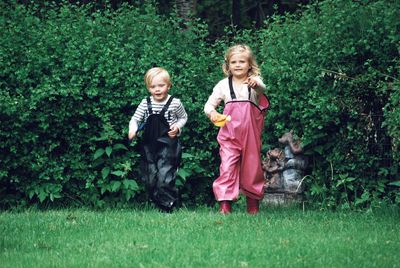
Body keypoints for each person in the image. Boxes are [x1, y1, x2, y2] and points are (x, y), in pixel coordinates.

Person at [204, 44, 270, 214]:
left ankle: (253, 205)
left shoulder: (255, 82)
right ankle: (225, 205)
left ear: (250, 64)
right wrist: (212, 113)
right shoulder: (223, 85)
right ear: (228, 65)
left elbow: (263, 90)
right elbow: (208, 105)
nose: (238, 65)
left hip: (251, 135)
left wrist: (256, 85)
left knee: (252, 168)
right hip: (229, 135)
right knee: (226, 167)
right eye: (234, 62)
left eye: (242, 61)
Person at [128, 67, 188, 212]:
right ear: (148, 88)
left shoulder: (175, 103)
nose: (157, 89)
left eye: (161, 85)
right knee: (150, 178)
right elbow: (135, 119)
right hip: (149, 145)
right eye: (153, 86)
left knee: (165, 176)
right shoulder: (145, 103)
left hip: (168, 145)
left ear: (169, 85)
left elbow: (183, 117)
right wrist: (132, 129)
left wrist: (177, 127)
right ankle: (158, 202)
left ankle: (168, 207)